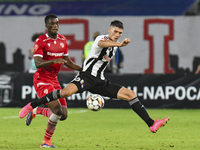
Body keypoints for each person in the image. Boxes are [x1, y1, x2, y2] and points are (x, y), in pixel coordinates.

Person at [19, 20, 169, 138]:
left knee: (131, 95)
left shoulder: (115, 47)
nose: (117, 34)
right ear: (109, 30)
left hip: (100, 82)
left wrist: (117, 45)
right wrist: (118, 44)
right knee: (64, 93)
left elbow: (110, 49)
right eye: (115, 31)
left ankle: (151, 124)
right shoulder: (101, 39)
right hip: (86, 77)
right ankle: (32, 105)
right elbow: (103, 43)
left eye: (120, 33)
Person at [23, 14, 82, 148]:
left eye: (56, 23)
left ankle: (36, 111)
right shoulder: (41, 41)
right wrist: (53, 61)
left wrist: (81, 69)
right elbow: (37, 63)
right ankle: (46, 142)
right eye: (51, 24)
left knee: (63, 114)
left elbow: (66, 61)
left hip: (54, 79)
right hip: (41, 79)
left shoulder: (63, 40)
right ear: (46, 25)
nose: (55, 26)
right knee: (56, 110)